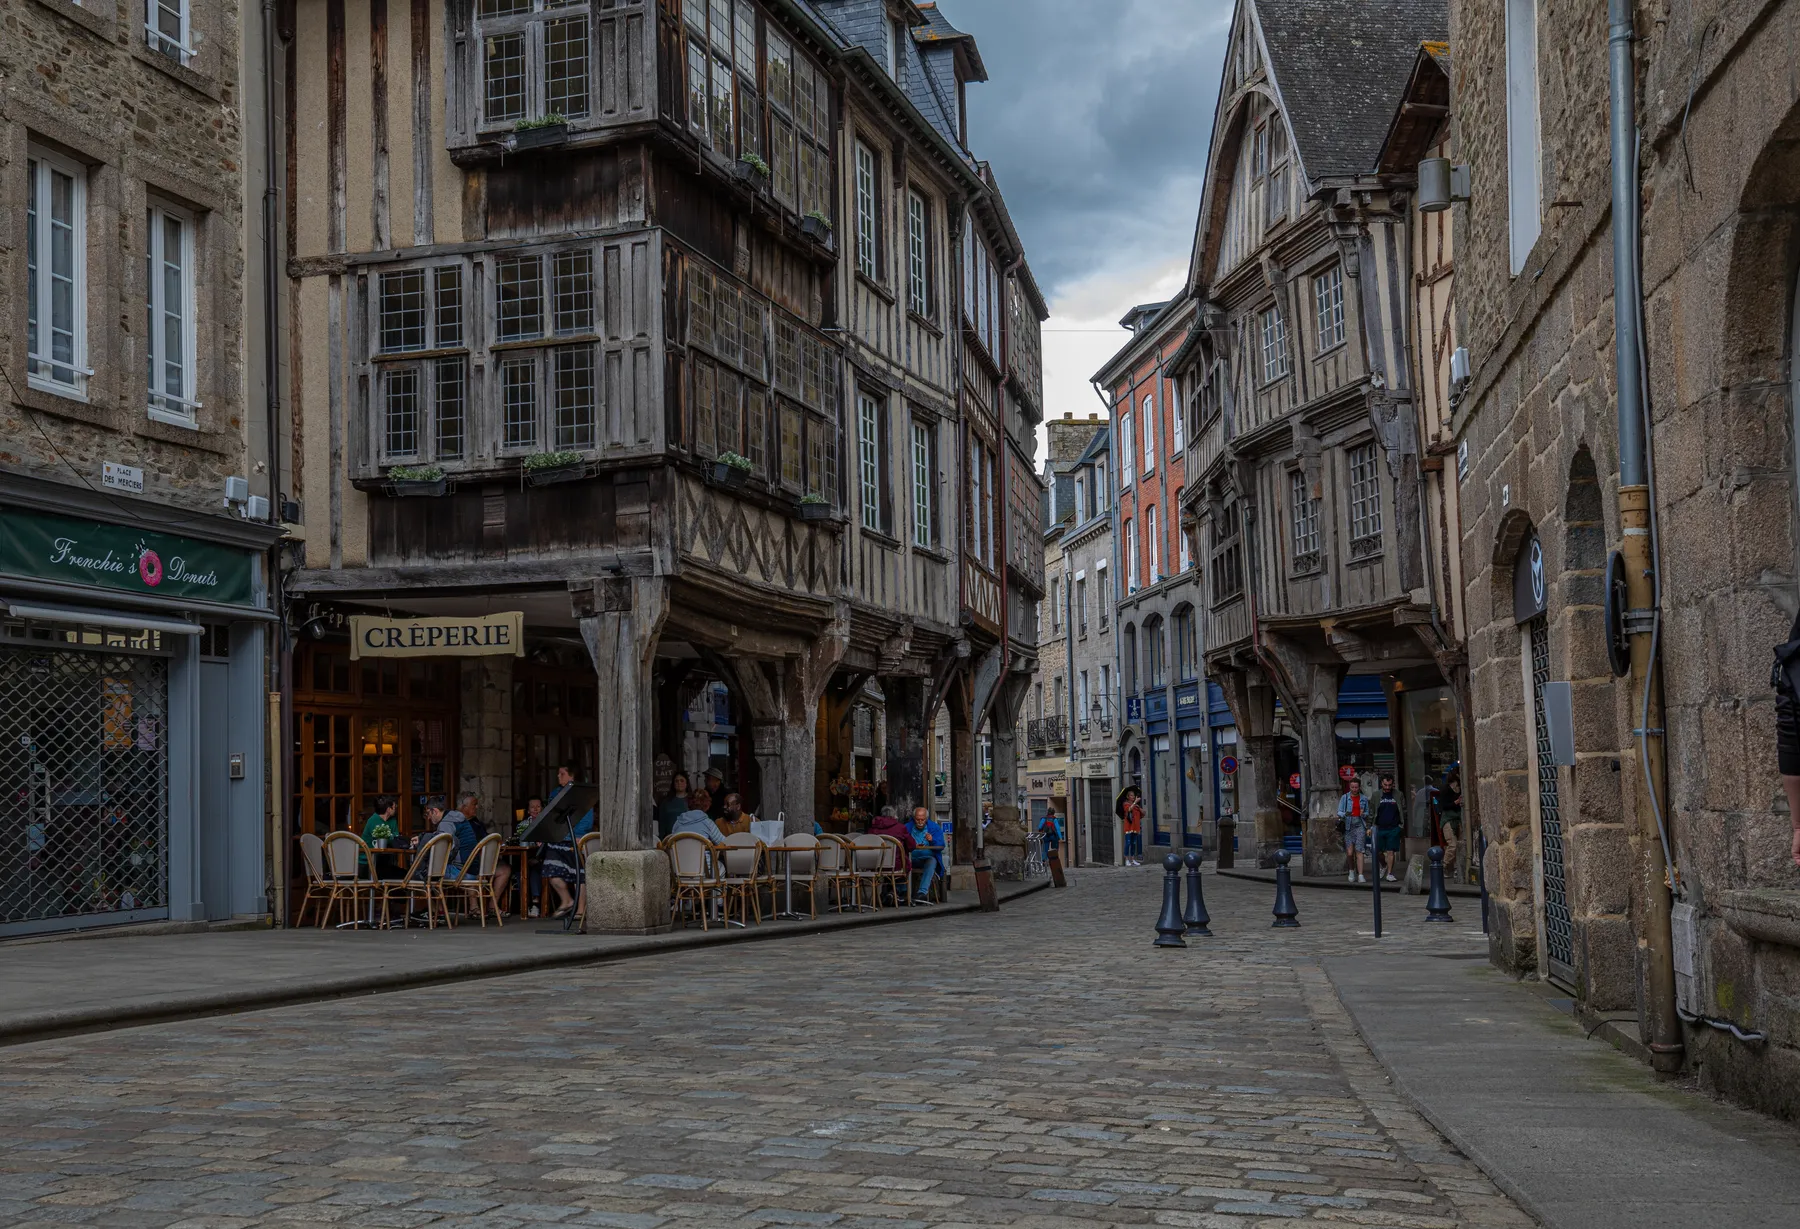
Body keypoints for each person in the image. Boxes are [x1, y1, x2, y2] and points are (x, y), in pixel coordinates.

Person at [492, 797, 542, 917]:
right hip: (527, 857)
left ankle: (536, 904)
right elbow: (519, 840)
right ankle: (524, 904)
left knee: (535, 869)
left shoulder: (547, 823)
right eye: (532, 807)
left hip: (542, 857)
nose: (535, 809)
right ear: (528, 811)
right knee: (519, 870)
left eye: (538, 806)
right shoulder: (523, 825)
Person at [868, 806, 917, 903]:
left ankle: (887, 893)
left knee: (889, 867)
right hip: (896, 865)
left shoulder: (872, 829)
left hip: (876, 864)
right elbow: (912, 846)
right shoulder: (900, 828)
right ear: (894, 816)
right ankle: (894, 892)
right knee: (902, 864)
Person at [908, 806, 946, 904]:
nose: (920, 822)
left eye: (922, 819)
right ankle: (902, 892)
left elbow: (941, 845)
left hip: (926, 858)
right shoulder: (908, 827)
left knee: (932, 860)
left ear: (926, 819)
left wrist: (932, 840)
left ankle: (922, 893)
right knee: (902, 861)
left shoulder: (934, 828)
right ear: (914, 818)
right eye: (917, 819)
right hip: (910, 857)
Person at [1373, 774, 1404, 882]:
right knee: (1378, 852)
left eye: (1390, 785)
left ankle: (1390, 873)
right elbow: (1372, 811)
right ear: (1381, 783)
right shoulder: (1376, 795)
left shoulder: (1398, 794)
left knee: (1390, 851)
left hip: (1394, 827)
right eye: (1385, 785)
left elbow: (1403, 809)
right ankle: (1384, 865)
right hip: (1380, 827)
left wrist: (1401, 826)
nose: (1387, 787)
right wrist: (1370, 826)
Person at [1338, 776, 1368, 884]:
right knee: (1350, 852)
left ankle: (1360, 874)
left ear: (1359, 787)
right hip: (1348, 825)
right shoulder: (1344, 798)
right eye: (1352, 787)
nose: (1354, 789)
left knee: (1359, 850)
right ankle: (1351, 870)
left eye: (1356, 787)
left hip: (1360, 824)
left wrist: (1363, 814)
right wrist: (1345, 814)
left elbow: (1367, 813)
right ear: (1349, 787)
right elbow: (1339, 811)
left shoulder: (1364, 798)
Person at [1438, 766, 1464, 881]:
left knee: (1460, 844)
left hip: (1458, 818)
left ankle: (1454, 868)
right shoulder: (1445, 789)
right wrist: (1456, 802)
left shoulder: (1461, 789)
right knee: (1452, 844)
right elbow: (1442, 806)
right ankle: (1443, 865)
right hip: (1448, 819)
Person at [656, 772, 692, 840]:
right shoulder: (666, 802)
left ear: (686, 783)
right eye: (676, 781)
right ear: (673, 784)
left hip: (689, 838)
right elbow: (662, 824)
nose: (679, 783)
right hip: (670, 839)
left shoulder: (693, 800)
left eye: (682, 780)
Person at [1117, 786, 1144, 866]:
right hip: (1129, 826)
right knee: (1128, 843)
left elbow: (1143, 814)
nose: (1133, 797)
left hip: (1135, 826)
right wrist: (1135, 803)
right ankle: (1126, 860)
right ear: (1128, 797)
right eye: (1131, 795)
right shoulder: (1126, 804)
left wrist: (1139, 808)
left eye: (1133, 795)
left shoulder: (1136, 805)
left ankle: (1132, 859)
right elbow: (1128, 810)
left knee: (1134, 843)